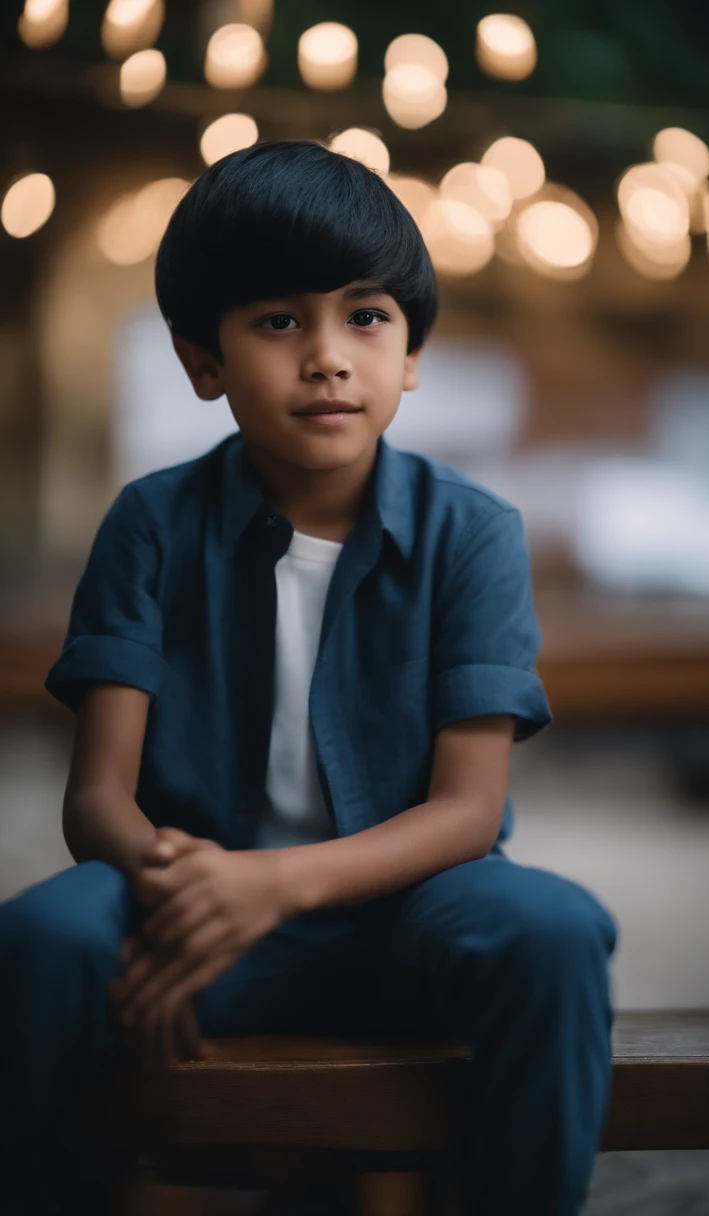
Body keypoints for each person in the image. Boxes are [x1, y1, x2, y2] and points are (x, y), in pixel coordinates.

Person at [0, 140, 617, 1216]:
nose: (327, 356)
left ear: (412, 351)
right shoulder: (151, 523)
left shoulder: (472, 531)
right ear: (204, 361)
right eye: (279, 321)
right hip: (182, 915)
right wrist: (188, 891)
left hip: (406, 920)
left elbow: (468, 814)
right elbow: (97, 798)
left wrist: (269, 886)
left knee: (551, 928)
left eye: (365, 316)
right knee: (40, 936)